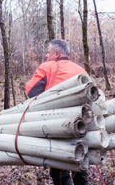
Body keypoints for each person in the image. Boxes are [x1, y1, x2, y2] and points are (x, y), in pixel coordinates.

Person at [25, 39, 90, 185]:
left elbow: (30, 92)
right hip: (82, 125)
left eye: (48, 52)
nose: (47, 56)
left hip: (57, 126)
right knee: (80, 163)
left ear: (56, 53)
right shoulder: (81, 70)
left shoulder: (47, 67)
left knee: (60, 169)